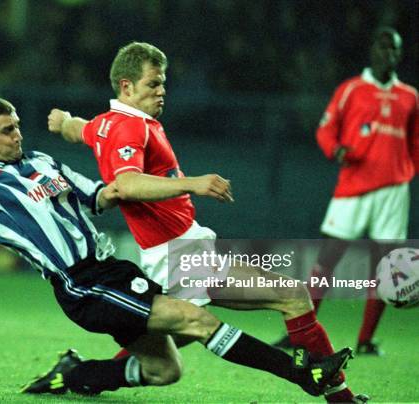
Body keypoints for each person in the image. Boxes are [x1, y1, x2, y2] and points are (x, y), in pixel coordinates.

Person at [0, 97, 351, 398]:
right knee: (198, 321)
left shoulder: (44, 163)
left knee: (164, 370)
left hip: (112, 271)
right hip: (81, 284)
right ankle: (300, 374)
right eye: (6, 131)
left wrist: (146, 184)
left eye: (17, 127)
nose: (17, 135)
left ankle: (77, 373)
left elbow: (102, 194)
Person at [43, 42, 368, 402]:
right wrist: (193, 183)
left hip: (181, 248)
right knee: (292, 295)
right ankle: (341, 398)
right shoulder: (129, 128)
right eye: (153, 84)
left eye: (163, 83)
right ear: (126, 87)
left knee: (167, 348)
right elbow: (127, 184)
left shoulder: (107, 124)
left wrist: (63, 123)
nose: (162, 90)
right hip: (179, 254)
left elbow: (82, 129)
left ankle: (80, 374)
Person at [273, 27, 418, 355]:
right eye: (383, 49)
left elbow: (416, 142)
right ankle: (300, 334)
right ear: (373, 52)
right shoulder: (351, 89)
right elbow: (325, 129)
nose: (388, 55)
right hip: (352, 187)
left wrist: (407, 170)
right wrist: (334, 149)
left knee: (385, 270)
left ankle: (365, 341)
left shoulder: (410, 96)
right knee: (326, 260)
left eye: (394, 50)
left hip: (393, 192)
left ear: (399, 54)